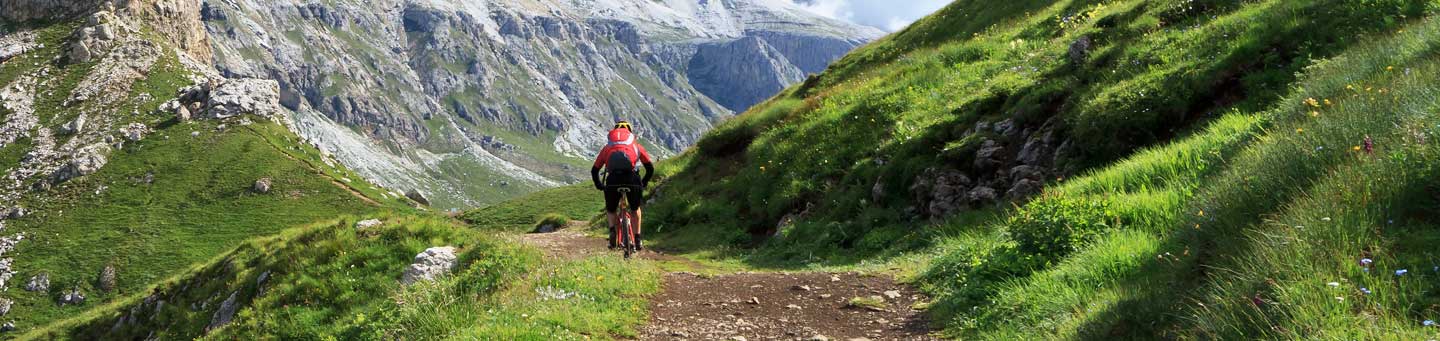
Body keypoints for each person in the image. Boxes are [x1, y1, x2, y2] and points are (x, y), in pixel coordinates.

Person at [592, 120, 655, 250]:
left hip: (613, 180)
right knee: (635, 208)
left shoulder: (607, 148)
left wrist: (599, 185)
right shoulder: (636, 146)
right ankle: (637, 239)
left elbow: (595, 170)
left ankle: (612, 232)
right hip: (631, 180)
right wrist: (643, 183)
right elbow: (650, 168)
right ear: (630, 133)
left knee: (611, 209)